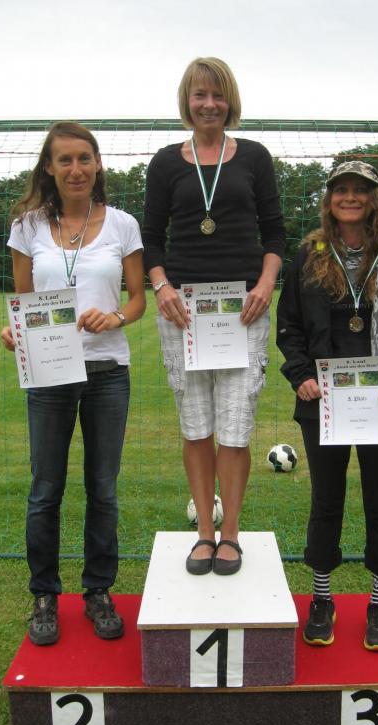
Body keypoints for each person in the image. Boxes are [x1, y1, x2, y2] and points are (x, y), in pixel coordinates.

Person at [276, 161, 378, 651]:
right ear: (329, 199)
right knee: (326, 501)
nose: (350, 197)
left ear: (373, 199)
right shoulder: (309, 253)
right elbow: (290, 324)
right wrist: (301, 375)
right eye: (341, 189)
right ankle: (322, 598)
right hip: (324, 400)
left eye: (360, 190)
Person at [0, 121, 145, 645]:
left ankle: (98, 590)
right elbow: (23, 303)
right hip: (49, 376)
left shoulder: (123, 224)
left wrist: (116, 317)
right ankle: (44, 595)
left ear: (98, 163)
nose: (76, 169)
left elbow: (137, 299)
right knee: (46, 490)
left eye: (84, 158)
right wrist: (14, 330)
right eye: (65, 160)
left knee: (102, 490)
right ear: (50, 167)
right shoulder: (28, 226)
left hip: (107, 374)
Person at [142, 57, 285, 576]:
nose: (209, 104)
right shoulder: (165, 163)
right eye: (200, 95)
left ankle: (231, 537)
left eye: (218, 95)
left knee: (236, 428)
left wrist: (265, 284)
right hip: (183, 313)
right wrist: (161, 286)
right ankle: (204, 532)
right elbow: (150, 238)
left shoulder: (254, 157)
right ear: (187, 100)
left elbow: (275, 232)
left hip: (243, 312)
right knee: (196, 426)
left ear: (230, 101)